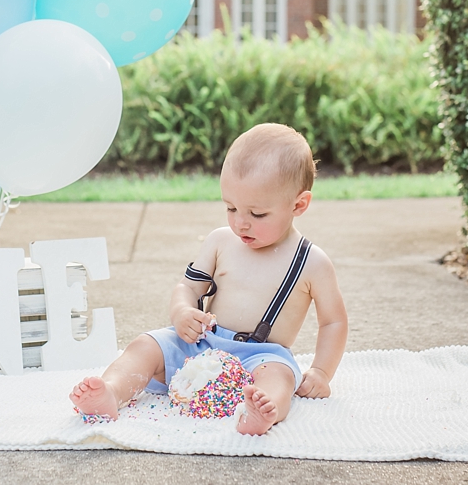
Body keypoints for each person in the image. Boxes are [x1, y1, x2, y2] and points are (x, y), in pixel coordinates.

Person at [71, 123, 349, 435]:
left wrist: (322, 372)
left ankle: (258, 412)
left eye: (257, 214)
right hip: (200, 344)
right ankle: (111, 391)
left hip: (259, 358)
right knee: (146, 346)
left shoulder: (312, 262)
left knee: (280, 377)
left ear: (299, 204)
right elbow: (188, 287)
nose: (240, 223)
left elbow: (333, 322)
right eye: (231, 208)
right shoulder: (220, 242)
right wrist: (182, 313)